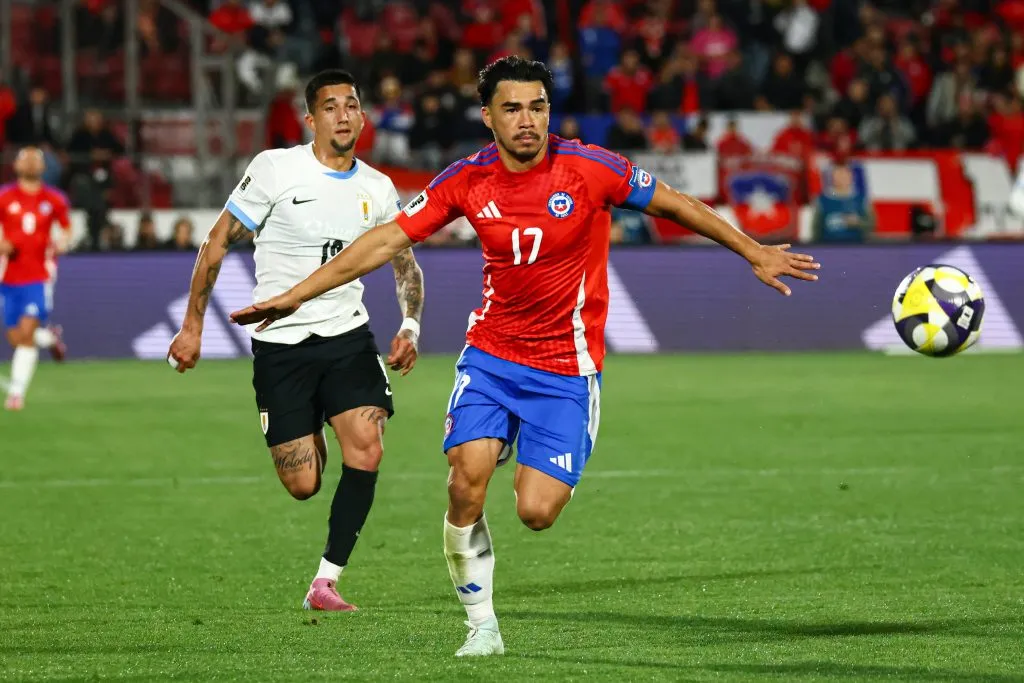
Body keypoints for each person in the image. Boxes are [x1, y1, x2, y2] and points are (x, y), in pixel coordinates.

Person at [229, 57, 820, 655]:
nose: (528, 120)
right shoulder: (467, 178)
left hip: (566, 368)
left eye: (537, 106)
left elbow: (675, 204)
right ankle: (481, 627)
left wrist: (752, 251)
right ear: (488, 117)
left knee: (537, 512)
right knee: (465, 479)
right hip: (490, 357)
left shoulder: (590, 168)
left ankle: (525, 449)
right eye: (512, 108)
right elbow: (384, 241)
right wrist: (294, 296)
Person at [167, 69, 425, 612]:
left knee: (369, 447)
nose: (343, 115)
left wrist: (410, 325)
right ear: (312, 119)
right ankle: (311, 422)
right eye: (330, 107)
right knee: (303, 483)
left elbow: (405, 265)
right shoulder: (275, 169)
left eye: (352, 105)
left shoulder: (377, 188)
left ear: (363, 115)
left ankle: (325, 580)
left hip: (347, 335)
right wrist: (193, 327)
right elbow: (216, 243)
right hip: (280, 342)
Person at [0, 147, 71, 411]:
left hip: (39, 276)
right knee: (16, 338)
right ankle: (50, 339)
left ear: (43, 167)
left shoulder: (54, 199)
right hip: (8, 277)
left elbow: (66, 228)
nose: (30, 162)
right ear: (15, 165)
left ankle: (16, 395)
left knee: (26, 334)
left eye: (35, 158)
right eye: (24, 158)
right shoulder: (5, 197)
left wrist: (63, 242)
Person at [810, 164, 875, 243]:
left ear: (851, 177)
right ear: (833, 178)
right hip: (828, 246)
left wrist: (858, 222)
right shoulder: (822, 199)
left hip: (856, 246)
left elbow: (872, 225)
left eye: (845, 175)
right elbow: (816, 227)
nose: (842, 179)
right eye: (838, 175)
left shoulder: (862, 199)